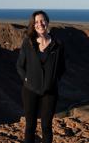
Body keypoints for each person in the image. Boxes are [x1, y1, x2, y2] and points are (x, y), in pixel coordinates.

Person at [16, 10, 66, 143]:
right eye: (36, 22)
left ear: (47, 22)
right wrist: (27, 80)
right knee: (30, 126)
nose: (40, 24)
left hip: (50, 92)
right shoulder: (28, 43)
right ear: (33, 25)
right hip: (30, 90)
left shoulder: (57, 44)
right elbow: (20, 66)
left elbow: (62, 67)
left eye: (42, 20)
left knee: (46, 126)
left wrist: (53, 80)